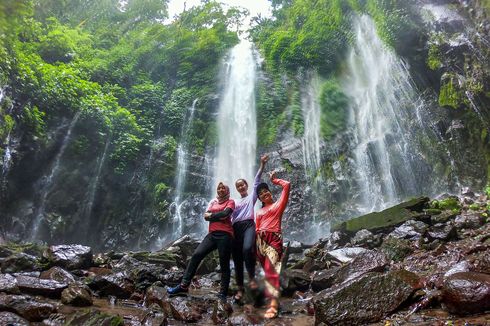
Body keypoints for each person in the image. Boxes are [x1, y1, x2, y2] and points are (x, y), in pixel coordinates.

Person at [167, 182, 235, 302]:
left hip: (225, 235)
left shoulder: (231, 202)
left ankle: (223, 293)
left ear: (227, 190)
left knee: (224, 264)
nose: (220, 189)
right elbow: (205, 216)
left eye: (223, 188)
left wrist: (212, 216)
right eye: (219, 188)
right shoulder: (213, 202)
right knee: (196, 255)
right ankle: (184, 285)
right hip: (212, 234)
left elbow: (225, 214)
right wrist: (214, 216)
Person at [231, 154, 269, 303]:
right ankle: (240, 288)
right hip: (235, 228)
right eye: (238, 186)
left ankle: (252, 278)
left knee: (247, 249)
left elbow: (257, 180)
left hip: (248, 225)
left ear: (246, 186)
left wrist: (262, 164)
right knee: (237, 259)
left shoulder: (251, 197)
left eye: (242, 184)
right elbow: (226, 214)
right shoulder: (233, 201)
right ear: (237, 188)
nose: (241, 187)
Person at [255, 171, 290, 319]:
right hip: (259, 243)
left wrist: (274, 180)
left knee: (270, 270)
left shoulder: (278, 205)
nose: (264, 194)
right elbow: (256, 228)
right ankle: (273, 298)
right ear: (259, 198)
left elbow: (287, 185)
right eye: (261, 193)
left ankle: (273, 305)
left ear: (270, 192)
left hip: (274, 239)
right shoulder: (258, 212)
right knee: (270, 272)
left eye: (266, 191)